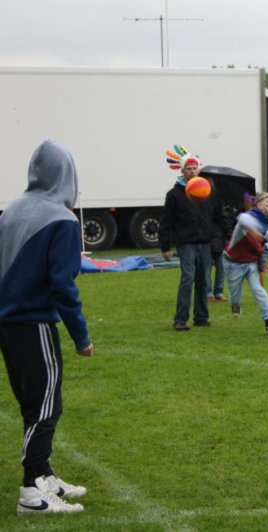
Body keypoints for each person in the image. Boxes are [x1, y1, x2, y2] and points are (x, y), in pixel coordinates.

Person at [0, 140, 94, 515]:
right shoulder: (62, 219)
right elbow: (62, 286)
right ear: (68, 175)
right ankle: (31, 493)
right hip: (34, 321)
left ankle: (43, 475)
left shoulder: (12, 210)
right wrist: (81, 337)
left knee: (32, 402)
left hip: (7, 322)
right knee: (45, 406)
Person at [159, 153, 229, 331]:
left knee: (203, 281)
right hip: (186, 243)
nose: (191, 171)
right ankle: (180, 319)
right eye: (188, 169)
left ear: (199, 170)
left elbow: (219, 215)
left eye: (194, 168)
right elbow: (166, 221)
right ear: (182, 172)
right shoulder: (174, 194)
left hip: (205, 242)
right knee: (188, 278)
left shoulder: (209, 191)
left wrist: (229, 235)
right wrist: (165, 246)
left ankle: (201, 317)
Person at [224, 192, 268, 338]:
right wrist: (254, 231)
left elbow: (266, 249)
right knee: (235, 297)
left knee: (259, 291)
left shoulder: (267, 229)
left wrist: (264, 264)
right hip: (233, 262)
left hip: (251, 263)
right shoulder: (248, 217)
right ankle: (235, 305)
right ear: (259, 205)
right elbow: (242, 218)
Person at [206, 178, 227, 302]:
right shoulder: (199, 201)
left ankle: (218, 291)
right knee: (207, 267)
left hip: (218, 237)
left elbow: (222, 218)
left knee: (221, 266)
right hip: (206, 238)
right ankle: (208, 292)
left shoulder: (219, 200)